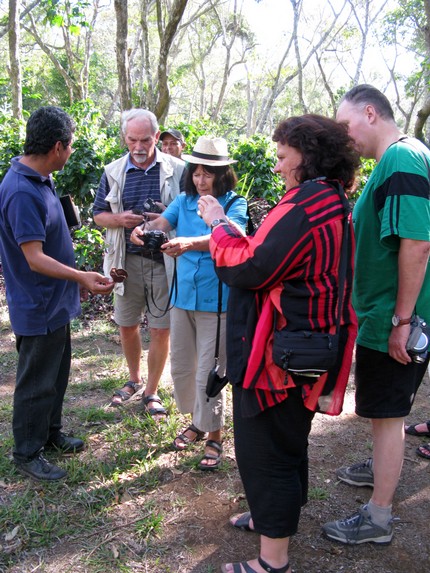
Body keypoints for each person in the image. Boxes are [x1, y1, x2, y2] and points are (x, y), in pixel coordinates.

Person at [197, 115, 359, 573]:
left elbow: (249, 267)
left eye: (284, 157)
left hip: (279, 355)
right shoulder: (330, 200)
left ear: (307, 156)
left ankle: (273, 559)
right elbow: (278, 259)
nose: (278, 165)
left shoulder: (306, 206)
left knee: (265, 451)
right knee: (287, 443)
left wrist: (219, 223)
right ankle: (274, 520)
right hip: (307, 346)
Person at [322, 84, 430, 545]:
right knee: (382, 413)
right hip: (383, 314)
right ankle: (380, 467)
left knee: (388, 416)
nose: (346, 140)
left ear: (370, 113)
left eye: (346, 126)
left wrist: (402, 322)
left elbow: (417, 241)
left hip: (394, 317)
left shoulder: (402, 159)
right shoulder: (396, 160)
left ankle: (378, 518)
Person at [0, 106, 114, 481]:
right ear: (57, 146)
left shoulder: (40, 178)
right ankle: (27, 452)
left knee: (56, 374)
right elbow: (33, 258)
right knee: (36, 382)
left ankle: (50, 434)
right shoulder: (20, 191)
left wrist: (73, 280)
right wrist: (80, 276)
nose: (70, 154)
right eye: (70, 147)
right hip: (38, 304)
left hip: (56, 302)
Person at [131, 136, 248, 469]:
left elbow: (228, 236)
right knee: (183, 365)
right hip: (182, 298)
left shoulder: (233, 203)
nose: (201, 180)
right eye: (196, 173)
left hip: (217, 300)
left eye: (207, 174)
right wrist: (144, 230)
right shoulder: (183, 201)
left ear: (222, 174)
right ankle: (198, 423)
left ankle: (215, 436)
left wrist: (189, 243)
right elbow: (161, 223)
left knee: (210, 372)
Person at [93, 109, 185, 418]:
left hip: (163, 262)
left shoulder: (179, 169)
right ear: (125, 138)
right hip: (125, 261)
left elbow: (191, 213)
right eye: (132, 139)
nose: (138, 146)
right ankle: (133, 379)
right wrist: (120, 220)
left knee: (161, 328)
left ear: (156, 137)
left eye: (145, 139)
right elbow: (98, 215)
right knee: (127, 323)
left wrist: (165, 215)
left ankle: (152, 390)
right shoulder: (113, 171)